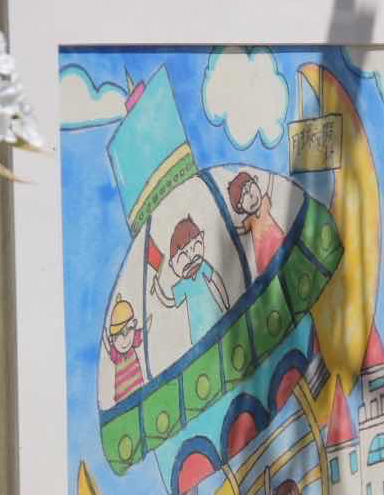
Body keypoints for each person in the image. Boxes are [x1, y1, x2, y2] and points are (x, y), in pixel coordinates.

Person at [151, 215, 230, 344]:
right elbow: (169, 301)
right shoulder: (183, 285)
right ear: (172, 265)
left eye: (194, 247)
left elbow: (217, 280)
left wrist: (226, 305)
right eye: (182, 256)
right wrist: (157, 288)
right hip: (199, 333)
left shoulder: (203, 267)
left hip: (216, 318)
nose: (190, 258)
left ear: (202, 238)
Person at [229, 171, 284, 276]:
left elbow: (270, 187)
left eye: (250, 187)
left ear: (255, 181)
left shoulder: (264, 203)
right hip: (265, 258)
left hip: (280, 244)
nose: (251, 195)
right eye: (244, 195)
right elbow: (240, 230)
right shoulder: (249, 220)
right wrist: (227, 228)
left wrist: (271, 173)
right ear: (240, 206)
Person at [104, 296, 150, 402]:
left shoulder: (133, 340)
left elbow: (144, 331)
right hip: (122, 398)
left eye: (129, 329)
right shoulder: (116, 354)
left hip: (138, 390)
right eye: (118, 335)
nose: (124, 339)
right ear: (112, 339)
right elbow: (107, 345)